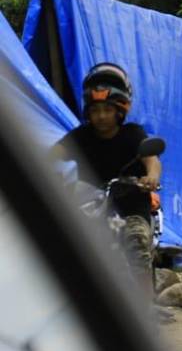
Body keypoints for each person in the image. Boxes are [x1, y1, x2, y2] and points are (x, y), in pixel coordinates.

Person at [52, 62, 163, 292]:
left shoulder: (133, 134)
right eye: (95, 110)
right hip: (90, 207)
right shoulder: (81, 137)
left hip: (131, 208)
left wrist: (151, 177)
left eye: (107, 109)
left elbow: (152, 160)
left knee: (137, 240)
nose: (101, 116)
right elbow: (50, 156)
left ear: (119, 110)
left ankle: (146, 305)